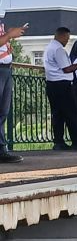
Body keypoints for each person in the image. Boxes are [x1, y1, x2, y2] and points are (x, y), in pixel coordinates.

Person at [43, 26, 77, 150]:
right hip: (62, 84)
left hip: (51, 84)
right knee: (72, 113)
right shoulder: (58, 49)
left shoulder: (49, 47)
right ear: (61, 36)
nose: (67, 41)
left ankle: (58, 141)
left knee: (57, 114)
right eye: (67, 38)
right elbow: (66, 69)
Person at [0, 20, 27, 163]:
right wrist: (9, 35)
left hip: (5, 69)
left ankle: (2, 149)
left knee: (3, 112)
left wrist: (7, 40)